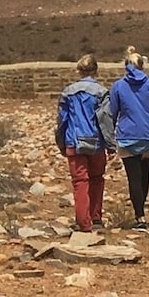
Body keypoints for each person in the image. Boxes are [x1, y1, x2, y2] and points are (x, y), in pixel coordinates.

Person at [108, 47, 149, 230]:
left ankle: (139, 216)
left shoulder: (118, 86)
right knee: (144, 176)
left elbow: (112, 114)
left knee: (133, 178)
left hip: (128, 137)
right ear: (143, 66)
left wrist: (109, 140)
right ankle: (141, 212)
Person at [55, 55, 114, 233]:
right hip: (95, 142)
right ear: (96, 71)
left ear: (79, 71)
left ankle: (83, 222)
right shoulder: (102, 92)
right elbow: (105, 120)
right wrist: (111, 144)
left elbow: (62, 121)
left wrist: (61, 143)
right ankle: (95, 218)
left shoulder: (68, 92)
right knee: (97, 180)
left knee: (80, 182)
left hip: (74, 141)